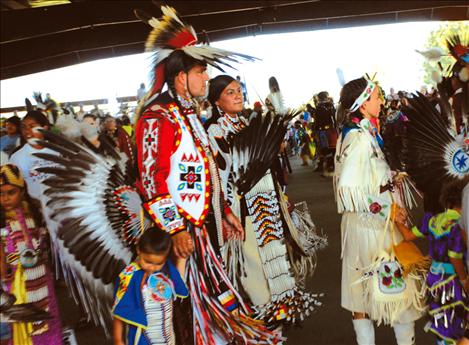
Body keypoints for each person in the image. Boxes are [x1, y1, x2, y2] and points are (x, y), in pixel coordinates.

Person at [134, 6, 278, 344]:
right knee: (182, 312)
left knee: (209, 308)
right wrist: (175, 229)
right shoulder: (158, 118)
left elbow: (208, 170)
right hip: (178, 238)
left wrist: (225, 212)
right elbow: (152, 182)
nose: (206, 77)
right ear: (180, 76)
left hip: (201, 229)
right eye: (201, 71)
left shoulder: (188, 116)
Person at [205, 75, 323, 329]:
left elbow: (268, 168)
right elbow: (217, 179)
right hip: (241, 216)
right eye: (229, 92)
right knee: (253, 278)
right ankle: (262, 326)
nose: (237, 95)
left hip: (267, 208)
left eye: (238, 90)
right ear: (216, 101)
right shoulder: (213, 132)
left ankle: (276, 324)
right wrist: (226, 212)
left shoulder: (249, 124)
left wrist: (282, 198)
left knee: (276, 269)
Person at [334, 77, 422, 345]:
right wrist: (389, 210)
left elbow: (362, 178)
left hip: (363, 225)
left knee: (361, 291)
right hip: (373, 227)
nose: (381, 101)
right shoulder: (360, 138)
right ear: (362, 105)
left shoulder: (357, 133)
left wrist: (389, 177)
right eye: (376, 97)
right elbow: (348, 190)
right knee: (397, 290)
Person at [395, 180, 468, 345]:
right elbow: (454, 256)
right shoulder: (460, 224)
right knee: (458, 321)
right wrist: (464, 279)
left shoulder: (432, 220)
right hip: (453, 281)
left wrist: (396, 219)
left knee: (441, 319)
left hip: (434, 279)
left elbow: (407, 235)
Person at [0, 164, 62, 345]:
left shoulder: (34, 212)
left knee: (48, 321)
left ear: (22, 191)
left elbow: (44, 244)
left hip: (42, 279)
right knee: (23, 324)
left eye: (11, 192)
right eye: (1, 193)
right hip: (16, 283)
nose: (5, 198)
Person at [112, 226, 188, 345]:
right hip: (143, 338)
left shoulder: (166, 268)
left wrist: (182, 258)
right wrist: (118, 340)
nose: (152, 267)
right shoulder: (130, 276)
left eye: (158, 263)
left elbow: (178, 284)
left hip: (167, 336)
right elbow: (119, 310)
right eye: (147, 261)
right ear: (138, 250)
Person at [9, 111, 56, 201]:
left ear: (44, 128)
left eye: (32, 126)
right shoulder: (17, 157)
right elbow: (15, 187)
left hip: (62, 205)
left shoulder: (58, 151)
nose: (27, 131)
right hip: (36, 207)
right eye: (23, 127)